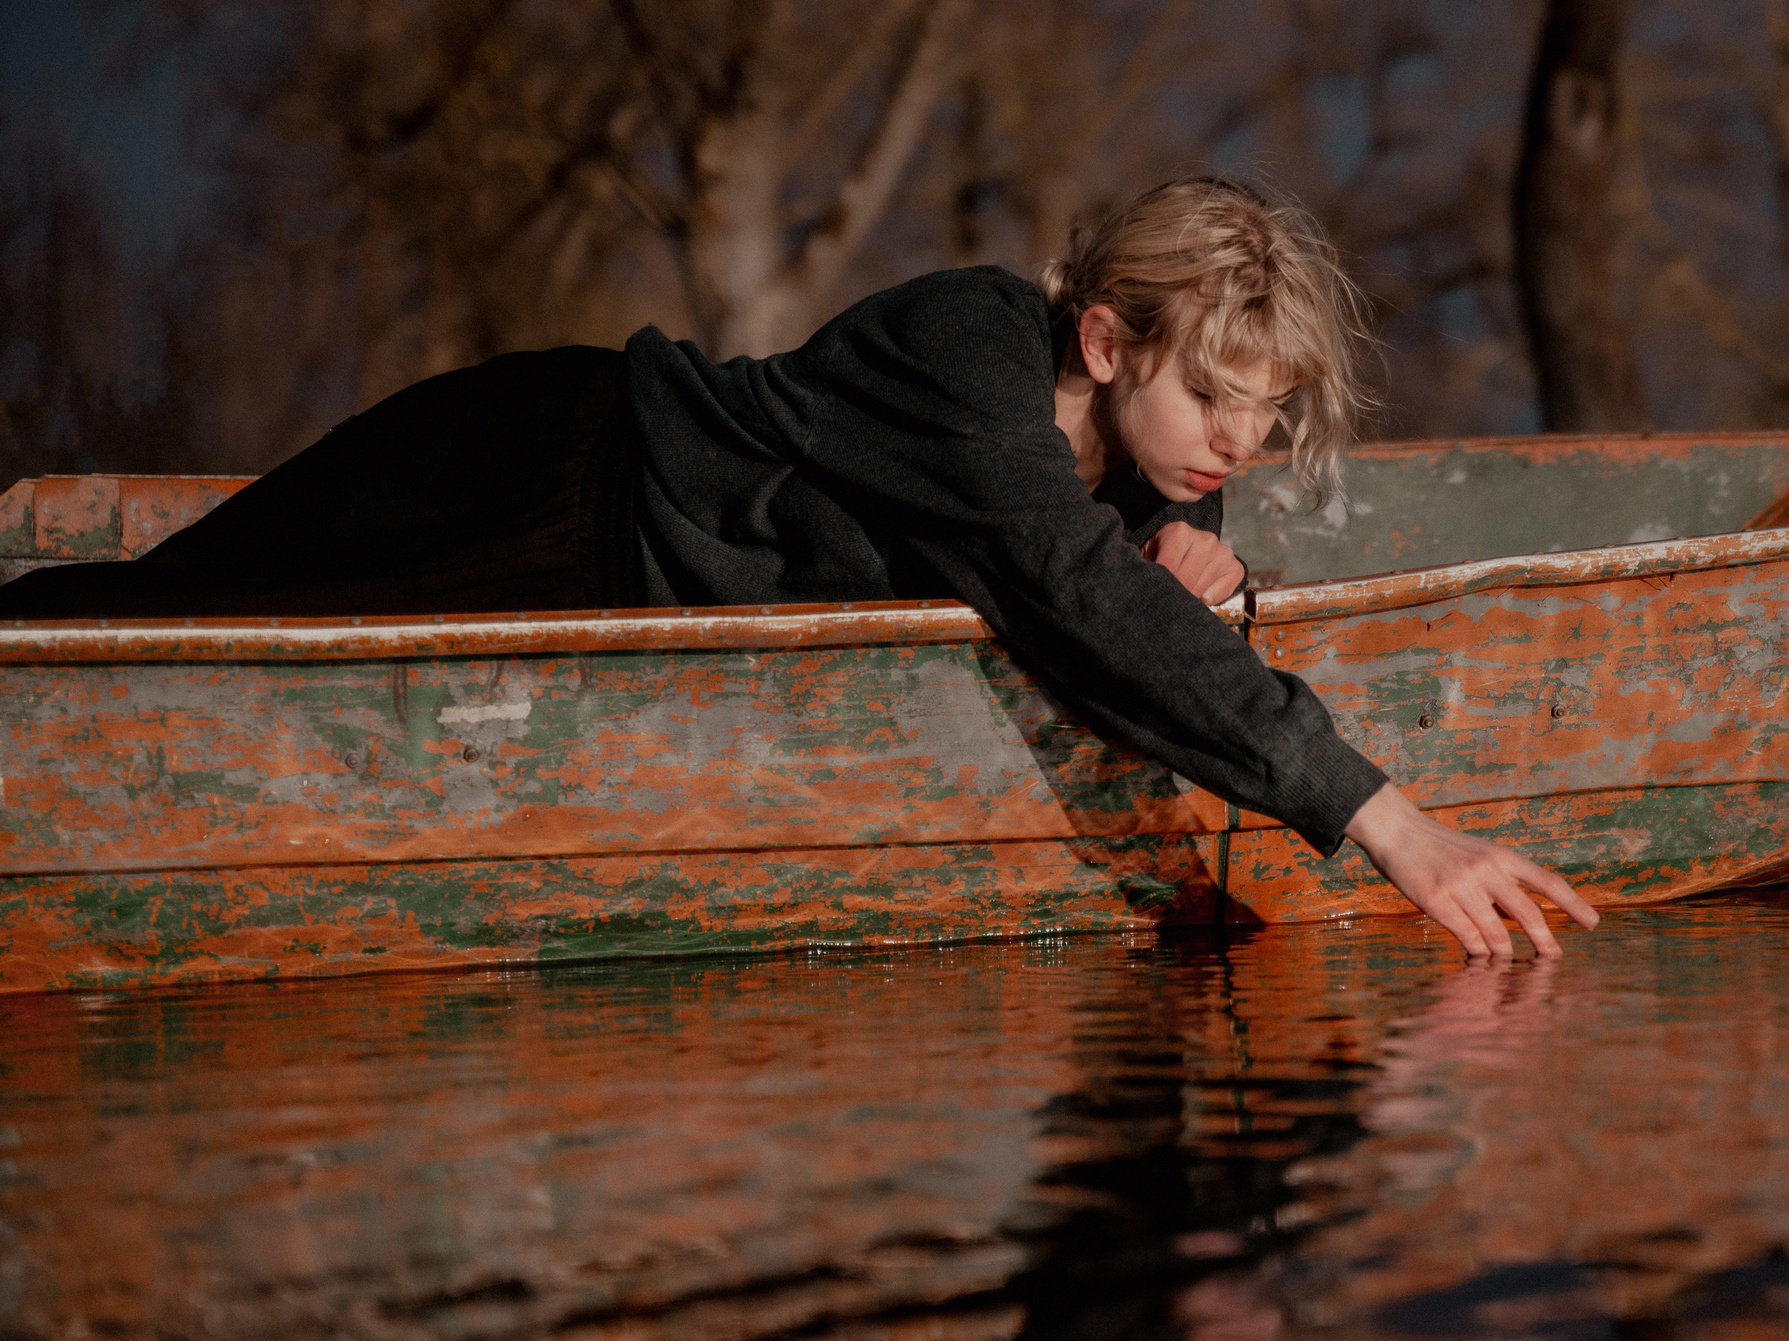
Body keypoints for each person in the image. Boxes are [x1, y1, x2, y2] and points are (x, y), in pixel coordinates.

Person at [0, 176, 1598, 958]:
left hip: (597, 557)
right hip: (529, 475)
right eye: (1208, 401)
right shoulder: (976, 353)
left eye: (1264, 418)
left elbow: (1127, 535)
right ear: (1104, 338)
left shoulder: (1124, 448)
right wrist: (1392, 822)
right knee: (145, 625)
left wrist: (1201, 524)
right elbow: (1082, 599)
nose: (1233, 441)